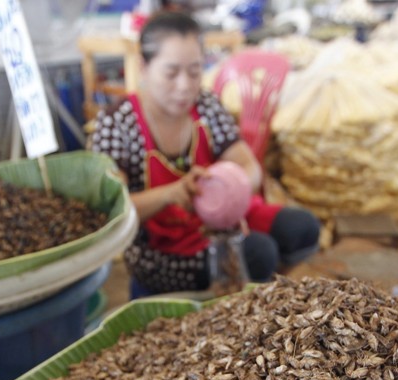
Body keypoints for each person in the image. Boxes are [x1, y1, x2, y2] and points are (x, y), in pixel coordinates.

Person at [88, 11, 320, 294]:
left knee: (302, 227)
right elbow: (112, 209)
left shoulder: (206, 106)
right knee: (259, 253)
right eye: (171, 73)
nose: (185, 85)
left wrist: (228, 190)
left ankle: (269, 297)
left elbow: (249, 166)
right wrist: (171, 194)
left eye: (195, 71)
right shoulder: (117, 123)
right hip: (162, 251)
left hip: (220, 221)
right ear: (144, 67)